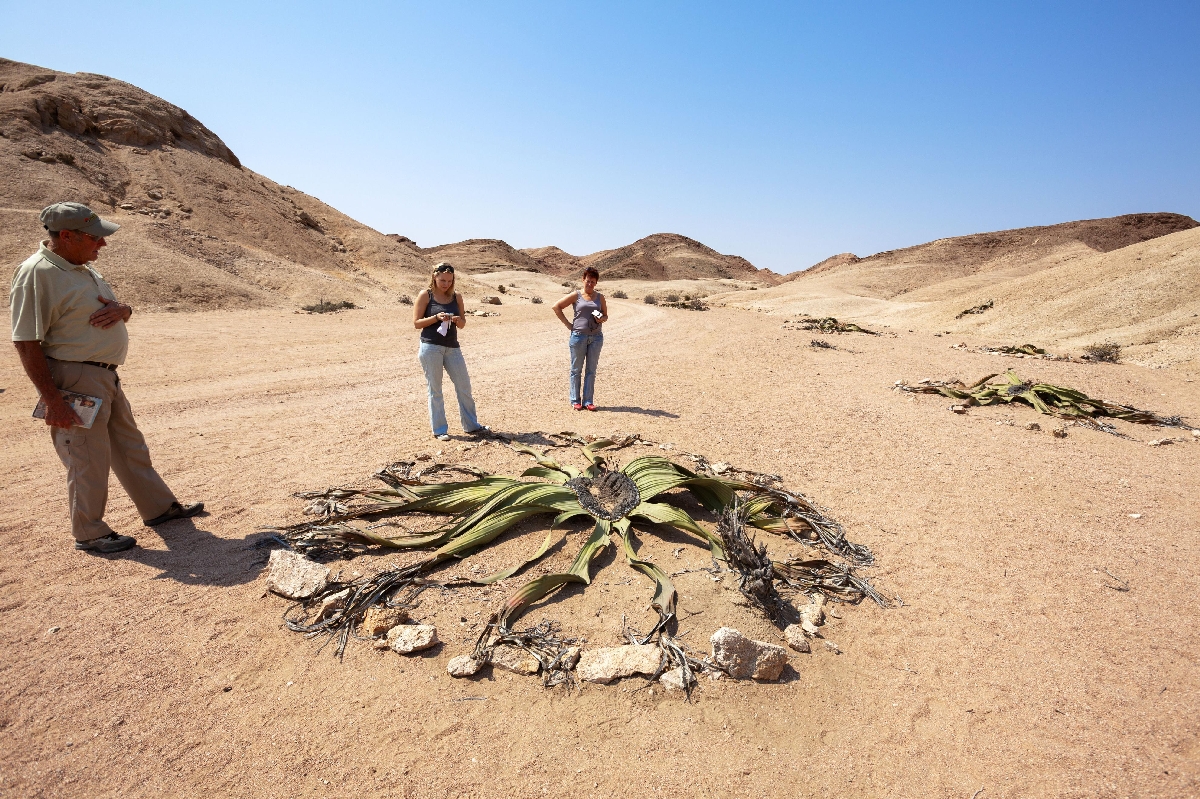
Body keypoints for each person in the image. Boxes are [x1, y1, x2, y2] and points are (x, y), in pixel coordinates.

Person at [10, 202, 204, 554]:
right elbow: (25, 339)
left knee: (129, 446)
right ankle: (89, 532)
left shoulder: (81, 267)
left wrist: (124, 311)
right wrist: (52, 398)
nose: (103, 244)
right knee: (86, 457)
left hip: (105, 377)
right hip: (74, 378)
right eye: (94, 237)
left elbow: (110, 310)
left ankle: (159, 508)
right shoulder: (37, 272)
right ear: (66, 236)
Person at [413, 262, 488, 441]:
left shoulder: (457, 297)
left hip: (452, 347)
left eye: (449, 280)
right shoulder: (426, 295)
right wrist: (436, 318)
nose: (445, 284)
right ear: (434, 277)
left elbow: (463, 323)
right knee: (435, 389)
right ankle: (440, 430)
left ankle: (471, 426)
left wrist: (455, 320)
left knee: (464, 386)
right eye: (442, 280)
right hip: (431, 347)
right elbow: (416, 323)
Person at [553, 266, 608, 411]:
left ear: (596, 283)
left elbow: (606, 315)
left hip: (596, 337)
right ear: (583, 280)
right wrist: (569, 325)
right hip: (578, 337)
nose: (590, 284)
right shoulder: (576, 295)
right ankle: (575, 400)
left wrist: (601, 318)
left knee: (591, 370)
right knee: (576, 370)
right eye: (588, 281)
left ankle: (588, 401)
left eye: (593, 282)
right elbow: (556, 307)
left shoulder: (600, 297)